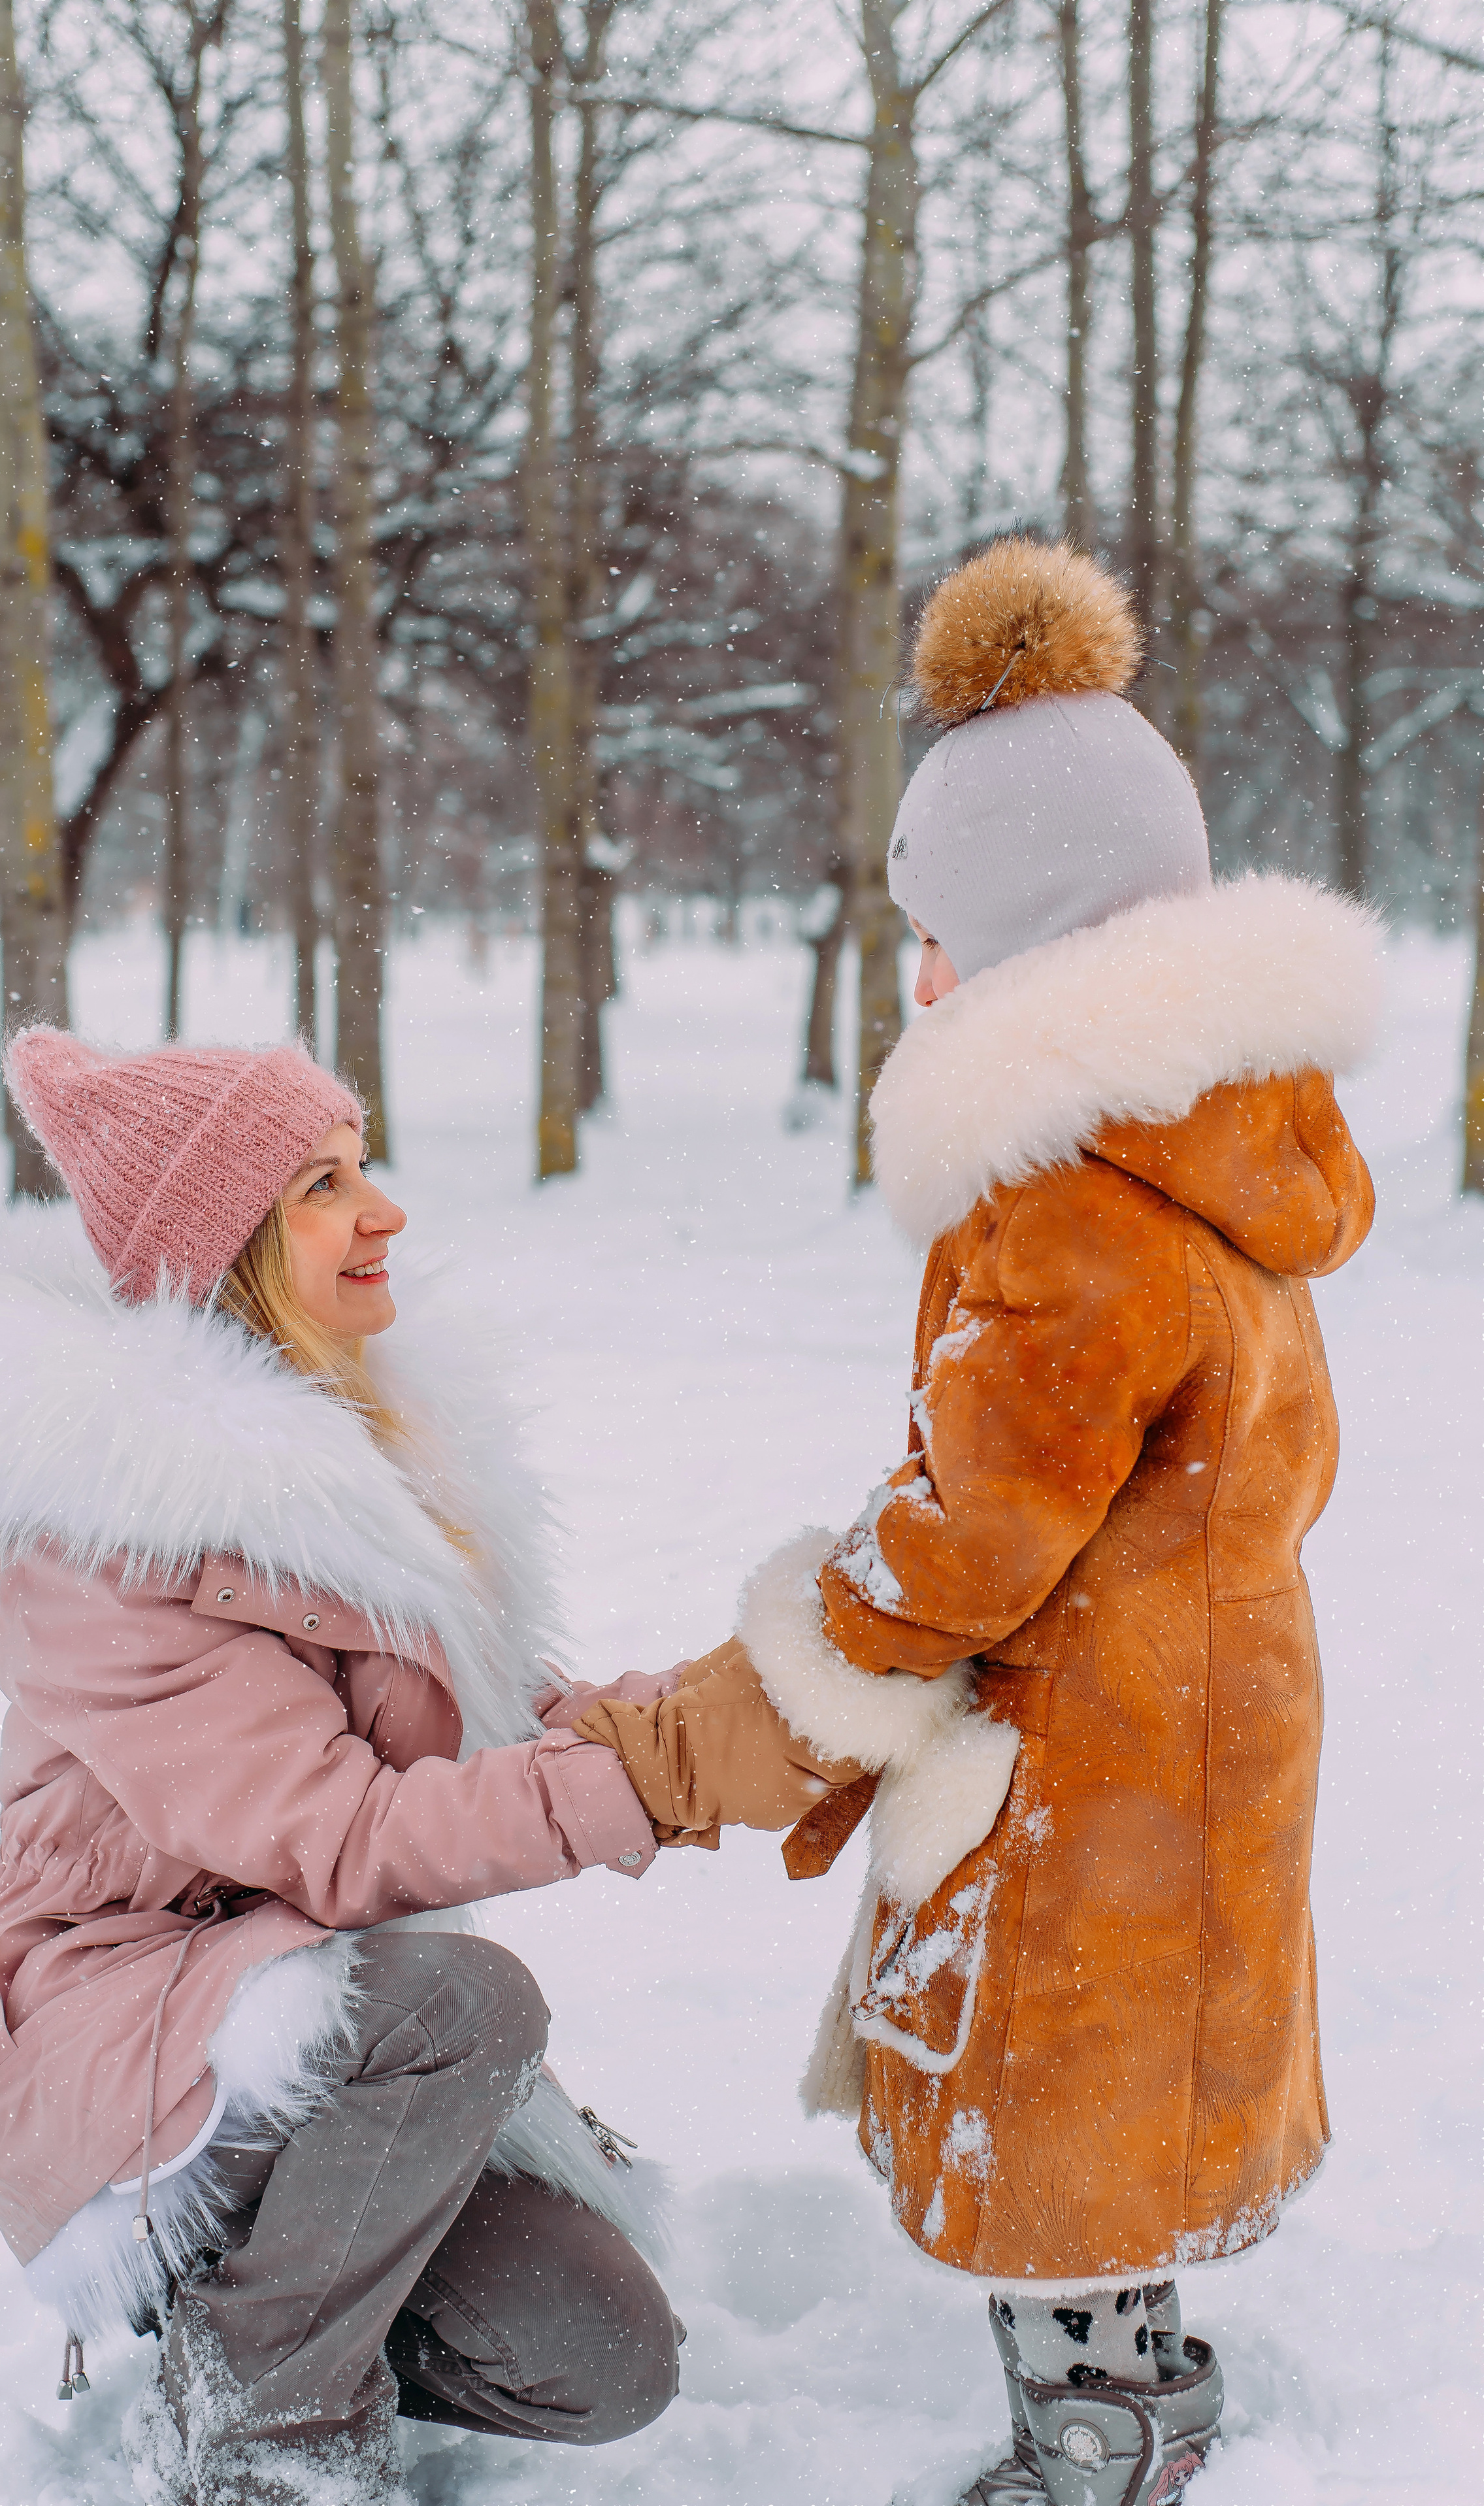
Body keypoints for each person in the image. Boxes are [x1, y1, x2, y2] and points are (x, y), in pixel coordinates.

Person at [0, 1031, 844, 2503]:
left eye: (364, 1162)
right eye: (325, 1184)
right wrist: (651, 1781)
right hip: (113, 2025)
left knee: (601, 2361)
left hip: (317, 2041)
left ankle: (268, 2304)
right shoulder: (104, 1544)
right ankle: (262, 2424)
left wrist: (739, 1714)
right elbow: (339, 1838)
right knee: (465, 2004)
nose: (383, 1210)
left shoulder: (339, 1454)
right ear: (233, 1244)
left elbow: (484, 1709)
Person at [725, 539, 1380, 2504]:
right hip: (1224, 1701)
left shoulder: (1069, 1194)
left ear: (1027, 947)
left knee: (1056, 2106)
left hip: (1090, 1747)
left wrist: (840, 1625)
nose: (919, 975)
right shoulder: (1217, 1155)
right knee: (1151, 2090)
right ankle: (1150, 2373)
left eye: (939, 937)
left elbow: (990, 1515)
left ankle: (1094, 2436)